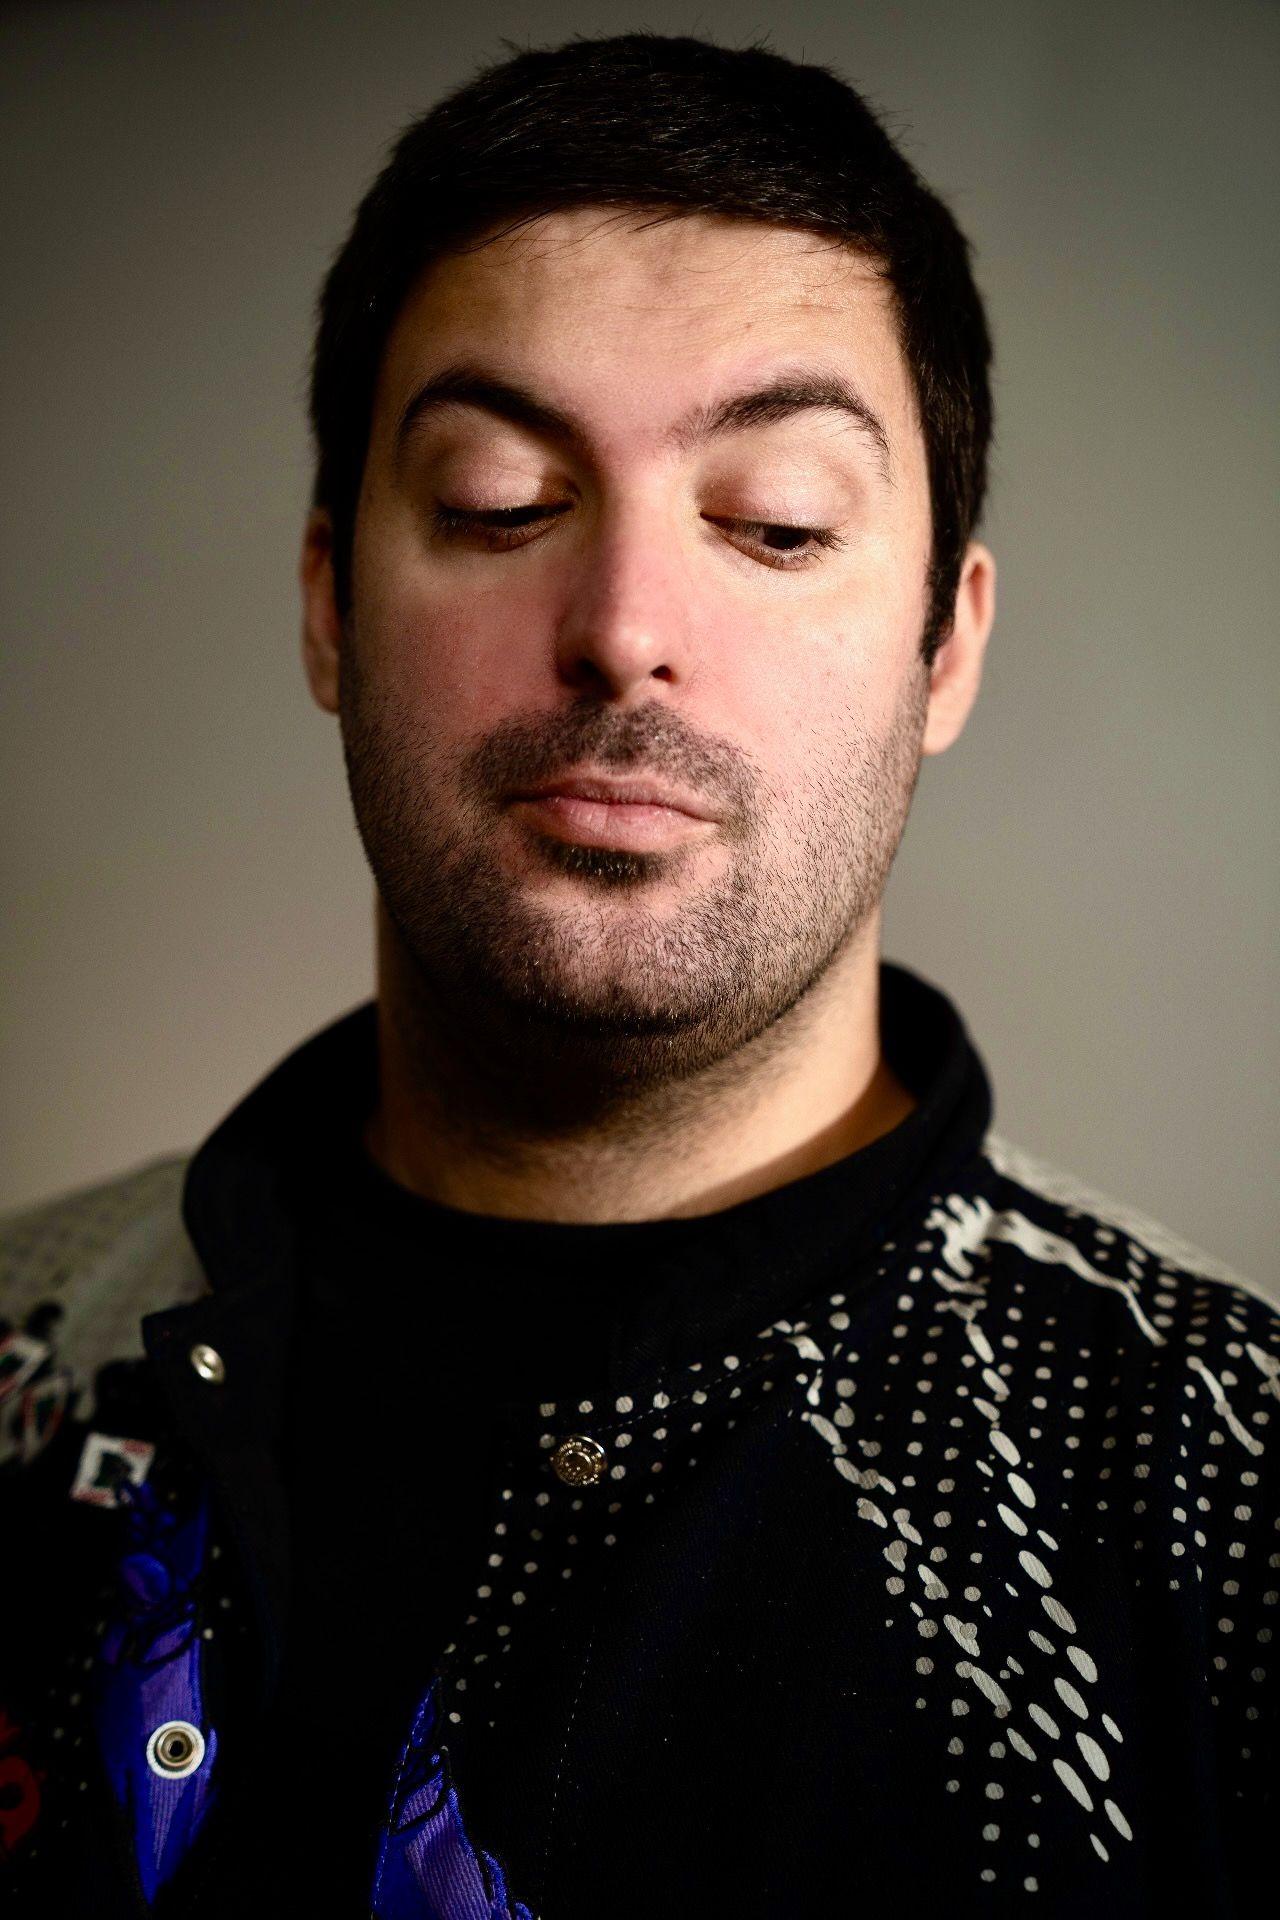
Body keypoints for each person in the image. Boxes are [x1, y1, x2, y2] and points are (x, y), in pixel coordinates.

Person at [1, 31, 1274, 1920]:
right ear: (330, 602)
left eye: (775, 524)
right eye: (502, 500)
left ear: (945, 650)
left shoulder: (1229, 1496)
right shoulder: (21, 1363)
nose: (622, 629)